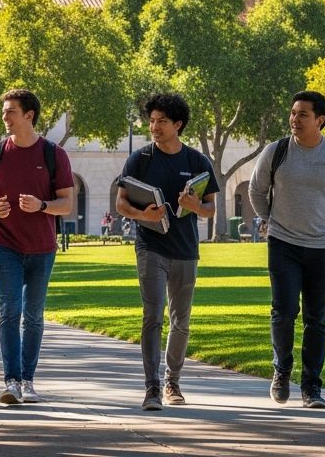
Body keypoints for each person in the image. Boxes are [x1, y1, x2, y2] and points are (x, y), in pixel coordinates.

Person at [248, 90, 325, 410]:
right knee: (284, 312)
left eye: (303, 114)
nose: (294, 119)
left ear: (320, 120)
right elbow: (256, 189)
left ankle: (311, 386)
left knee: (316, 320)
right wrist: (268, 218)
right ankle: (282, 369)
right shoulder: (276, 152)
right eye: (293, 113)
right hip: (283, 244)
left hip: (323, 246)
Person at [115, 92, 218, 411]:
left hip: (186, 251)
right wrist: (142, 215)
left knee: (181, 320)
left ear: (178, 125)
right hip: (150, 247)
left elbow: (211, 209)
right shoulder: (139, 160)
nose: (154, 126)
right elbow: (121, 203)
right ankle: (152, 387)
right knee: (152, 315)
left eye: (161, 121)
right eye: (151, 121)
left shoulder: (197, 161)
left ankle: (173, 381)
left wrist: (195, 206)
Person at [0, 88, 74, 405]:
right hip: (4, 243)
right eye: (4, 111)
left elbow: (67, 204)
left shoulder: (53, 154)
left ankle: (28, 380)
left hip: (43, 247)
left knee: (33, 315)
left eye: (11, 111)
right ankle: (12, 381)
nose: (5, 117)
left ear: (28, 115)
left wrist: (42, 205)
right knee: (10, 311)